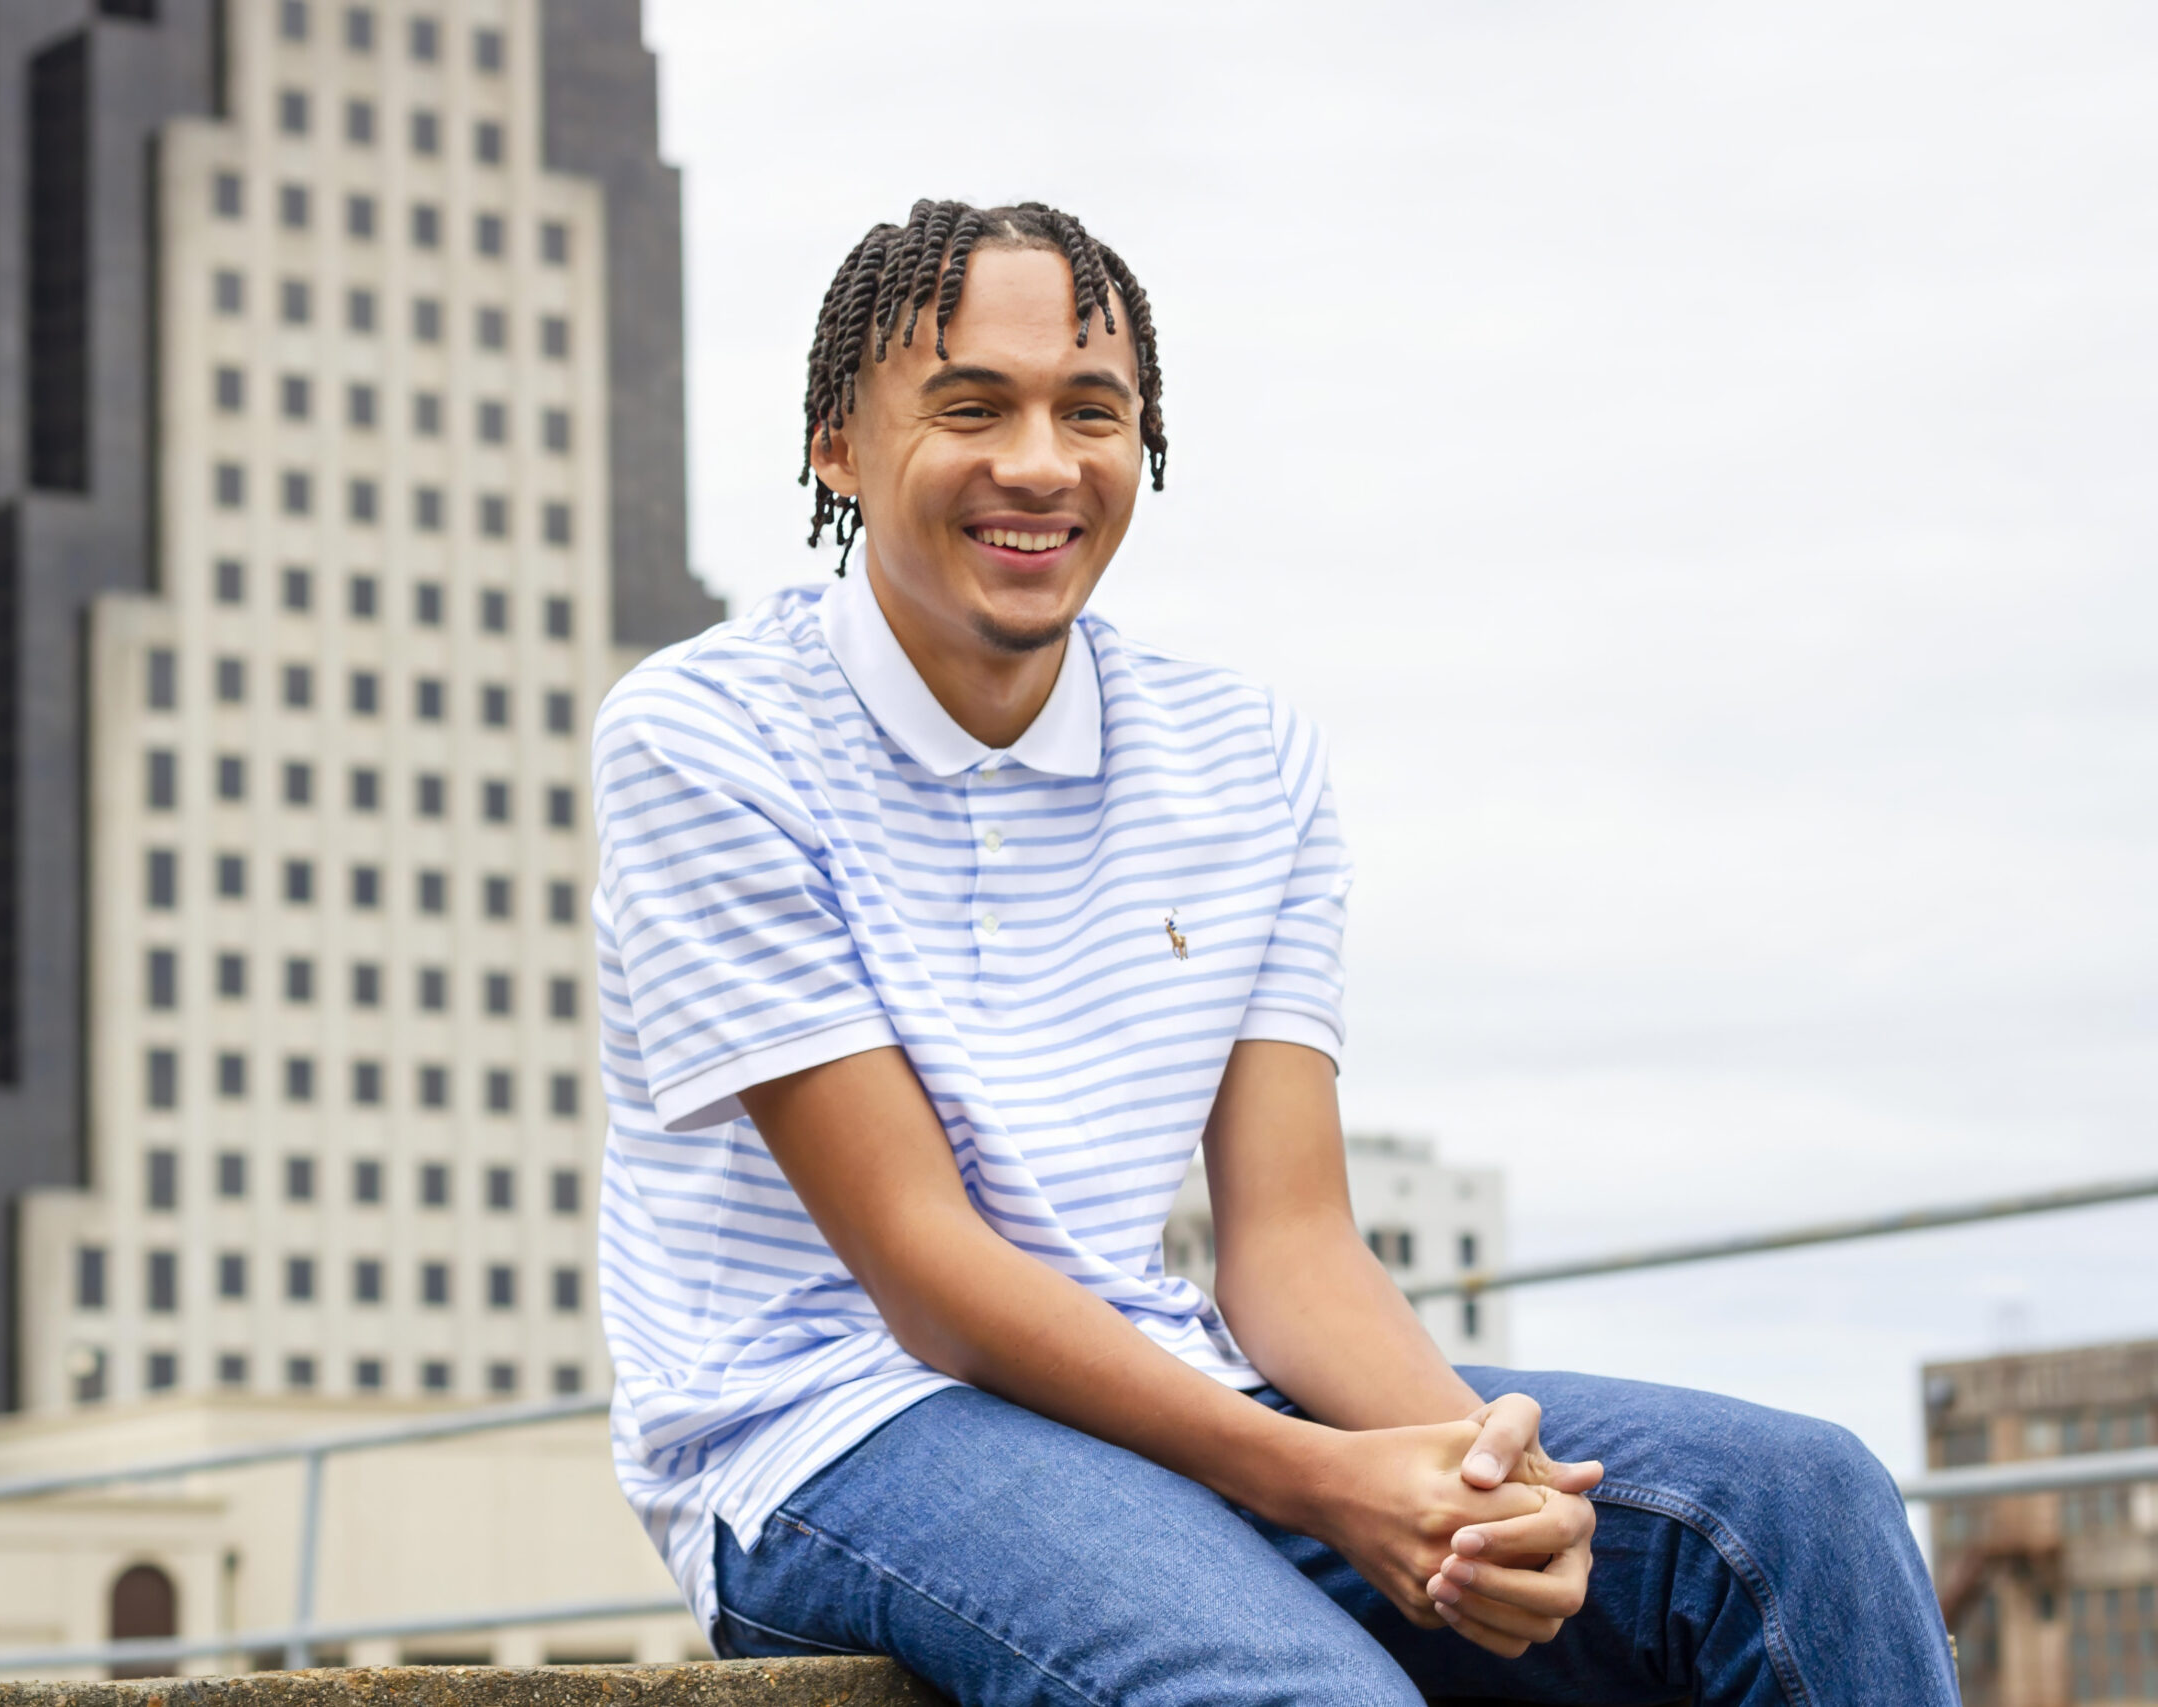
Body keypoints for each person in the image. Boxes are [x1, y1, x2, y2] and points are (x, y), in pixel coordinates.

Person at [590, 198, 1956, 1706]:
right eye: (972, 406)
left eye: (1089, 411)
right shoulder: (704, 738)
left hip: (1174, 1388)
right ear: (836, 447)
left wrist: (1481, 1482)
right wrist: (1324, 1481)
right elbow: (928, 1273)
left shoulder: (1245, 756)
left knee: (1796, 1511)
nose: (1039, 463)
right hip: (828, 1430)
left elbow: (1292, 1250)